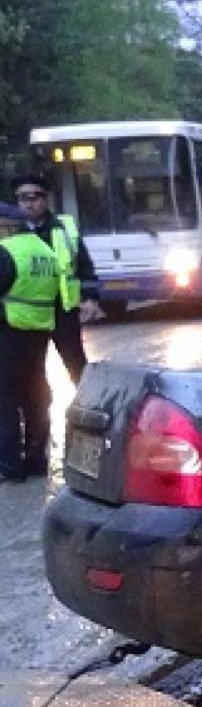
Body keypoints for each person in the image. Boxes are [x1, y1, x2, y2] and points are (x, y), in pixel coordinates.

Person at [11, 174, 98, 385]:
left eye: (35, 197)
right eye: (23, 198)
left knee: (77, 365)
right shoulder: (9, 231)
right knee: (32, 372)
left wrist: (90, 298)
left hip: (63, 310)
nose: (29, 203)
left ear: (46, 199)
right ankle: (37, 416)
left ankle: (89, 409)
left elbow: (84, 265)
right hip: (28, 315)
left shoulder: (64, 228)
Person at [0, 202, 60, 482]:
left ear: (7, 225)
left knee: (5, 399)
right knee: (35, 396)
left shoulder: (7, 251)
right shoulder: (43, 250)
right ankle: (36, 461)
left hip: (9, 330)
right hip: (38, 332)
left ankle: (9, 466)